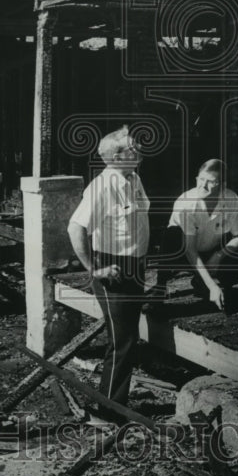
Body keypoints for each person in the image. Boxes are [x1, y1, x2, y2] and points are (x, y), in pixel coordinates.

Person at [68, 126, 150, 413]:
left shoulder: (134, 178)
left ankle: (112, 404)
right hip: (112, 269)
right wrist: (94, 270)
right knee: (122, 342)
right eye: (132, 147)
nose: (139, 150)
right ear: (116, 157)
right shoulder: (101, 187)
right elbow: (75, 228)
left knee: (128, 338)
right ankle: (110, 410)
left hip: (134, 267)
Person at [166, 158, 238, 313]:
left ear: (222, 185)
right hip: (182, 252)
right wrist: (212, 286)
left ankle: (202, 280)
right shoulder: (186, 203)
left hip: (210, 249)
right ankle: (159, 287)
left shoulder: (231, 198)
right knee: (171, 237)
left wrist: (218, 256)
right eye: (201, 179)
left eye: (211, 182)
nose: (203, 185)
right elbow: (190, 251)